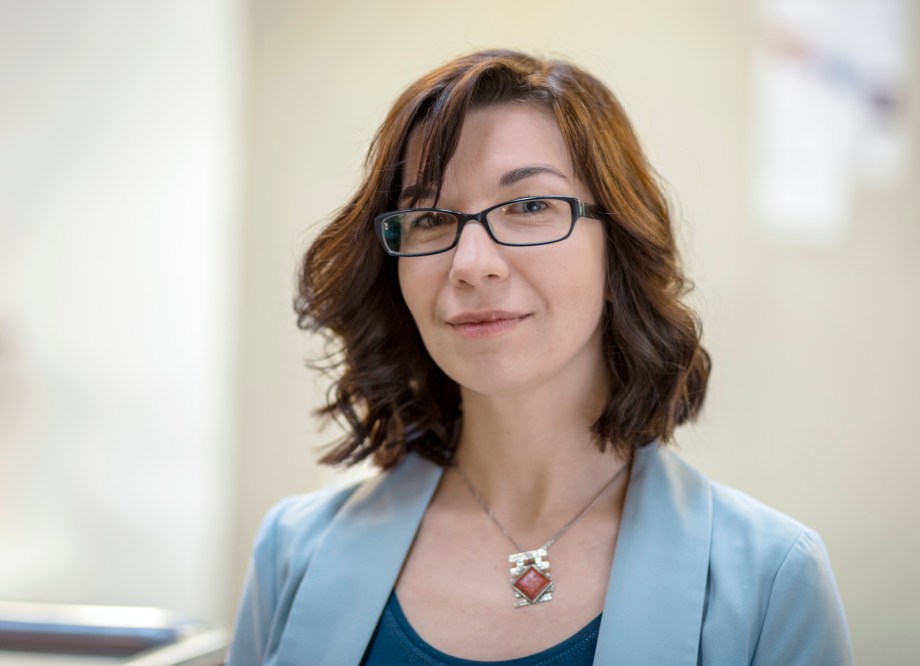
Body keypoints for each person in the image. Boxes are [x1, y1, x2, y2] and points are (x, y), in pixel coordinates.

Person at [228, 49, 852, 665]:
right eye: (428, 218)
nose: (471, 264)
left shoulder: (774, 581)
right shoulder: (294, 552)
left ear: (620, 249)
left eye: (529, 206)